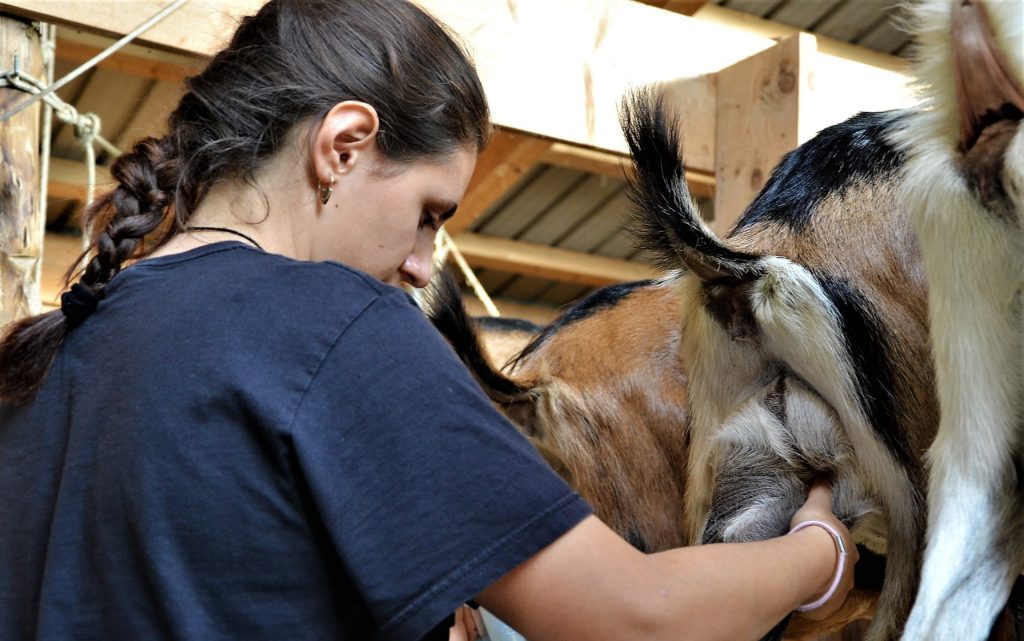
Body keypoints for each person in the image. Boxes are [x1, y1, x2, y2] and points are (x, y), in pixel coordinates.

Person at [0, 1, 858, 640]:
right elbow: (639, 619)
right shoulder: (335, 326)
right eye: (429, 214)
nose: (420, 265)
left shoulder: (43, 359)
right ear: (342, 145)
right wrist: (817, 549)